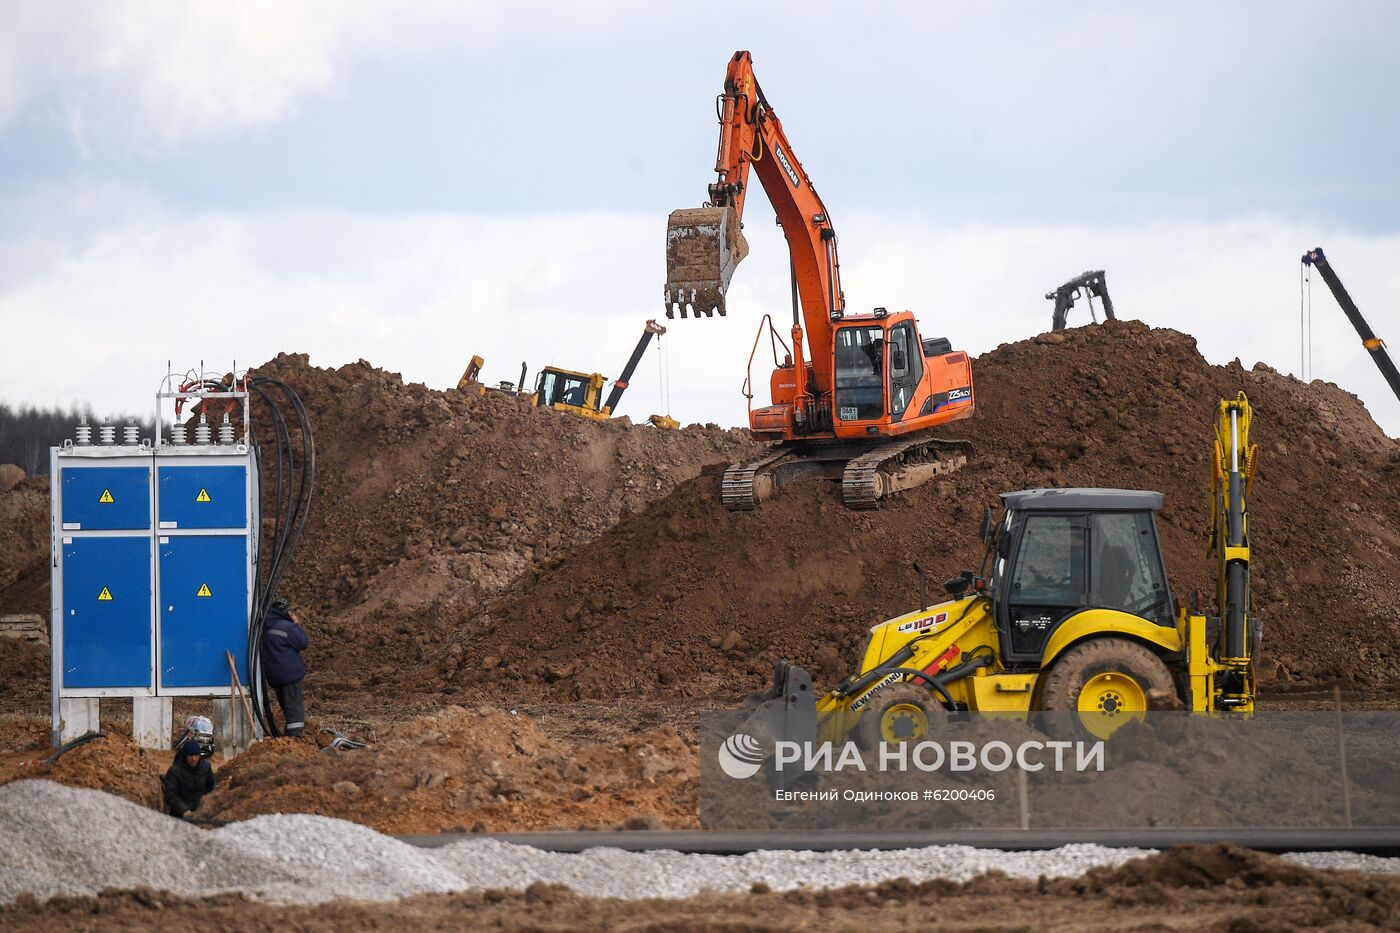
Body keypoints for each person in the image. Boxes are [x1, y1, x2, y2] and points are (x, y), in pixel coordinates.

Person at [262, 595, 310, 737]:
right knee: (294, 710)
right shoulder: (287, 627)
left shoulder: (265, 627)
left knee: (286, 706)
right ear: (286, 612)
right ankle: (295, 737)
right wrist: (296, 625)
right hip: (289, 675)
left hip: (274, 676)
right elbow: (303, 643)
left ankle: (288, 735)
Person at [162, 739, 215, 819]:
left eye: (196, 755)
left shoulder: (206, 767)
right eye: (190, 756)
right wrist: (184, 810)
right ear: (185, 756)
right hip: (180, 816)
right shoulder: (175, 771)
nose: (194, 758)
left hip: (200, 814)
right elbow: (170, 795)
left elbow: (212, 788)